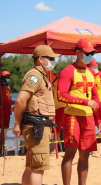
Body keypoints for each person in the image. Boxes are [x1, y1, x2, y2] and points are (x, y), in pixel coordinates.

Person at [57, 38, 101, 185]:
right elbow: (61, 94)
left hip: (89, 118)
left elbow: (96, 97)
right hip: (72, 116)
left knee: (85, 155)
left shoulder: (91, 72)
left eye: (93, 53)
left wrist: (99, 120)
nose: (91, 55)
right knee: (70, 153)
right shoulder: (67, 71)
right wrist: (85, 102)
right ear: (78, 53)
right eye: (88, 53)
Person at [12, 45, 61, 185]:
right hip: (36, 127)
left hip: (37, 126)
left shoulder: (39, 75)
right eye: (50, 58)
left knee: (31, 167)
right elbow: (20, 100)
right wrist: (17, 123)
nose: (53, 61)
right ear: (40, 59)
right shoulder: (35, 76)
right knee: (38, 168)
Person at [49, 73, 66, 154]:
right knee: (57, 129)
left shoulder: (55, 87)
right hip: (59, 107)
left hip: (59, 108)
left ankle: (54, 148)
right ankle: (56, 148)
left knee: (57, 129)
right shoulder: (57, 86)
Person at [0, 71, 15, 151]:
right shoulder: (1, 87)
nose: (7, 78)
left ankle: (2, 148)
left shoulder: (8, 88)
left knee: (4, 131)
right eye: (6, 77)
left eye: (8, 77)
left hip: (7, 113)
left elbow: (9, 100)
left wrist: (17, 102)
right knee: (2, 130)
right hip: (1, 112)